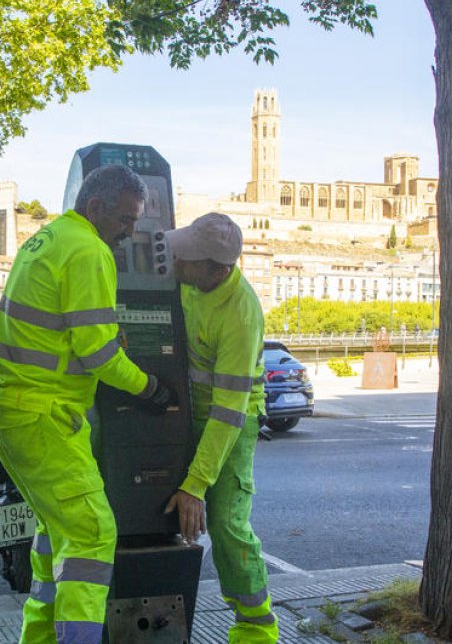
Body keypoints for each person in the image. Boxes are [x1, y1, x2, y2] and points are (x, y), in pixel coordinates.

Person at [0, 164, 173, 644]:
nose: (130, 232)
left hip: (16, 408)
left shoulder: (46, 240)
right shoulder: (89, 250)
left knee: (56, 535)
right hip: (45, 415)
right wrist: (151, 388)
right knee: (92, 532)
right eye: (126, 219)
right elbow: (100, 356)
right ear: (95, 207)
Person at [162, 212, 279, 643]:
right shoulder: (190, 281)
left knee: (227, 524)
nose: (177, 261)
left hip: (231, 420)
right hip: (184, 412)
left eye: (188, 259)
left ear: (217, 270)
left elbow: (229, 412)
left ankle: (256, 629)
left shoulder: (240, 313)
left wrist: (196, 485)